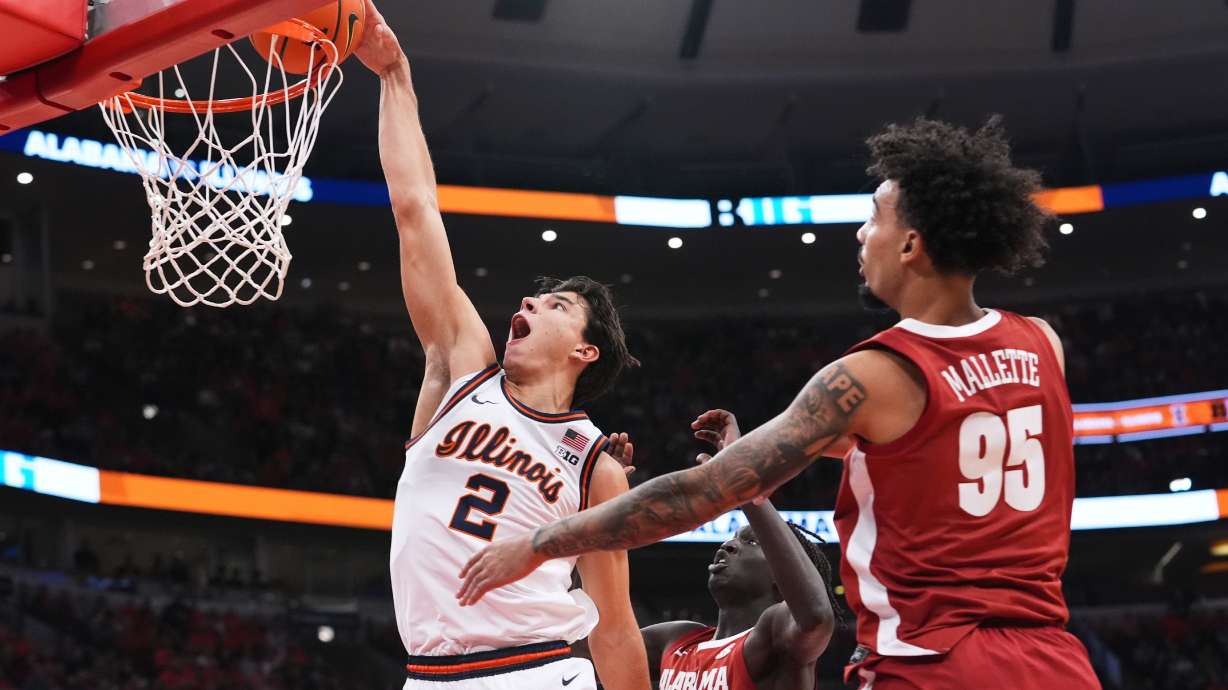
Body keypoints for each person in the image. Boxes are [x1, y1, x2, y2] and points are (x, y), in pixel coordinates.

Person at [457, 117, 1101, 689]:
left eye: (875, 215)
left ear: (911, 246)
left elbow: (699, 493)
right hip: (1055, 660)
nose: (860, 232)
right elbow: (942, 443)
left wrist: (541, 542)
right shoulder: (1044, 345)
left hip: (934, 662)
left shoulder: (870, 378)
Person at [353, 4, 649, 689]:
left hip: (536, 670)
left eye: (557, 306)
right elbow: (414, 209)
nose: (528, 304)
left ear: (586, 352)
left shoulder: (594, 463)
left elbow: (612, 623)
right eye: (532, 297)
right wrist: (395, 75)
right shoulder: (461, 366)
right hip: (425, 676)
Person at [594, 410, 837, 690]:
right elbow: (592, 645)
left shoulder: (775, 636)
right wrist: (598, 500)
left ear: (781, 576)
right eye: (734, 538)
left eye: (751, 541)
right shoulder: (676, 639)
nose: (729, 544)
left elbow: (816, 616)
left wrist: (743, 484)